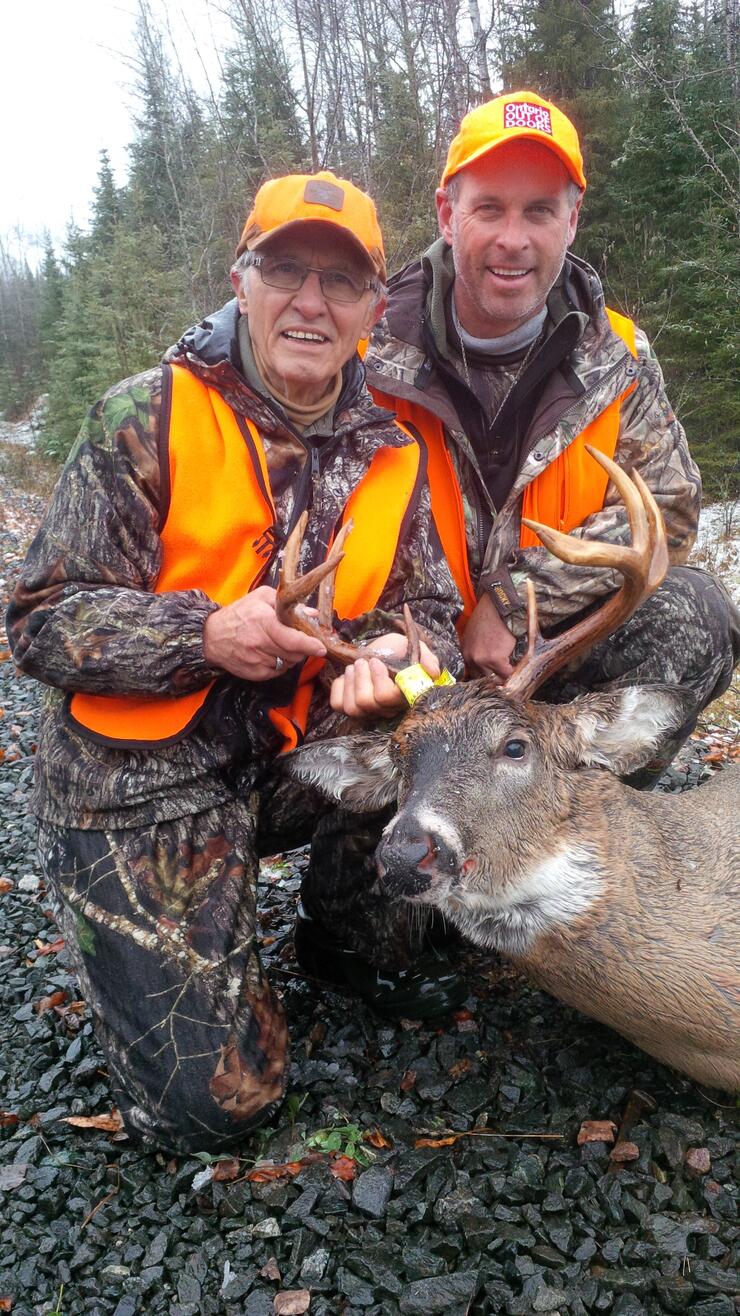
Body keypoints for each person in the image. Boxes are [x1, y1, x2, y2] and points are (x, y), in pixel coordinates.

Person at [6, 171, 464, 1153]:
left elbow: (434, 620)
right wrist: (201, 635)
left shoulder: (395, 451)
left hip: (295, 749)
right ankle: (174, 932)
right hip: (143, 781)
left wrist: (394, 656)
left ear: (372, 307)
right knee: (219, 1106)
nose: (310, 300)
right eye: (285, 269)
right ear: (239, 279)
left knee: (431, 721)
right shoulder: (145, 416)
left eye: (340, 280)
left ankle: (346, 940)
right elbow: (40, 618)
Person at [366, 90, 739, 780]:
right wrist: (406, 649)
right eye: (490, 209)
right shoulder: (372, 353)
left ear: (572, 221)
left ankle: (587, 812)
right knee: (355, 887)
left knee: (698, 612)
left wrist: (512, 603)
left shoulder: (618, 354)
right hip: (421, 677)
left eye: (539, 211)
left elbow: (668, 512)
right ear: (448, 215)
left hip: (548, 664)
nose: (514, 239)